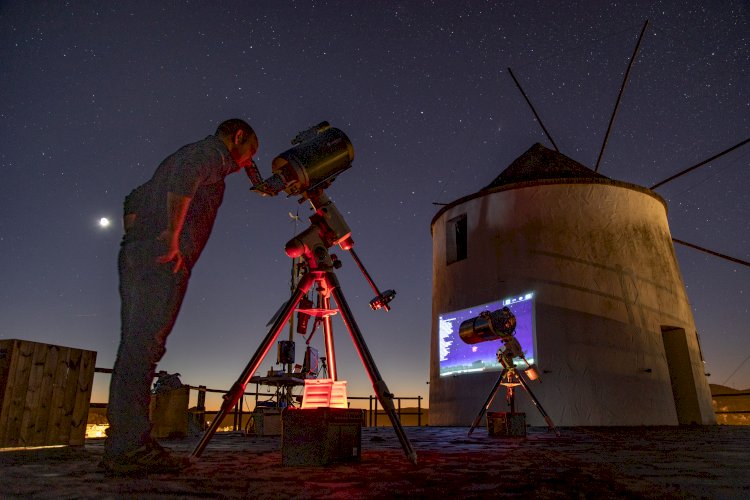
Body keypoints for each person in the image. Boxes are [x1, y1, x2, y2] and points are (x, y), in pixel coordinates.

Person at [102, 119, 277, 475]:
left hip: (138, 256)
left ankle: (125, 444)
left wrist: (137, 233)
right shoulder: (209, 154)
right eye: (250, 152)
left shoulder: (189, 154)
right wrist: (169, 235)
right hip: (162, 261)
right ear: (237, 137)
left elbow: (134, 195)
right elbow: (187, 175)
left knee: (135, 347)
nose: (249, 162)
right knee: (144, 348)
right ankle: (129, 450)